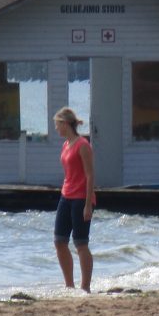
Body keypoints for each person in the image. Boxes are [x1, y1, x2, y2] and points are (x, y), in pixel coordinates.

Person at [53, 107, 96, 293]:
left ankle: (85, 286)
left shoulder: (83, 144)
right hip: (66, 195)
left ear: (65, 123)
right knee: (59, 241)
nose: (56, 129)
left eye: (57, 125)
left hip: (81, 198)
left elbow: (90, 175)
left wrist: (88, 204)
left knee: (80, 243)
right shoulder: (65, 145)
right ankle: (69, 286)